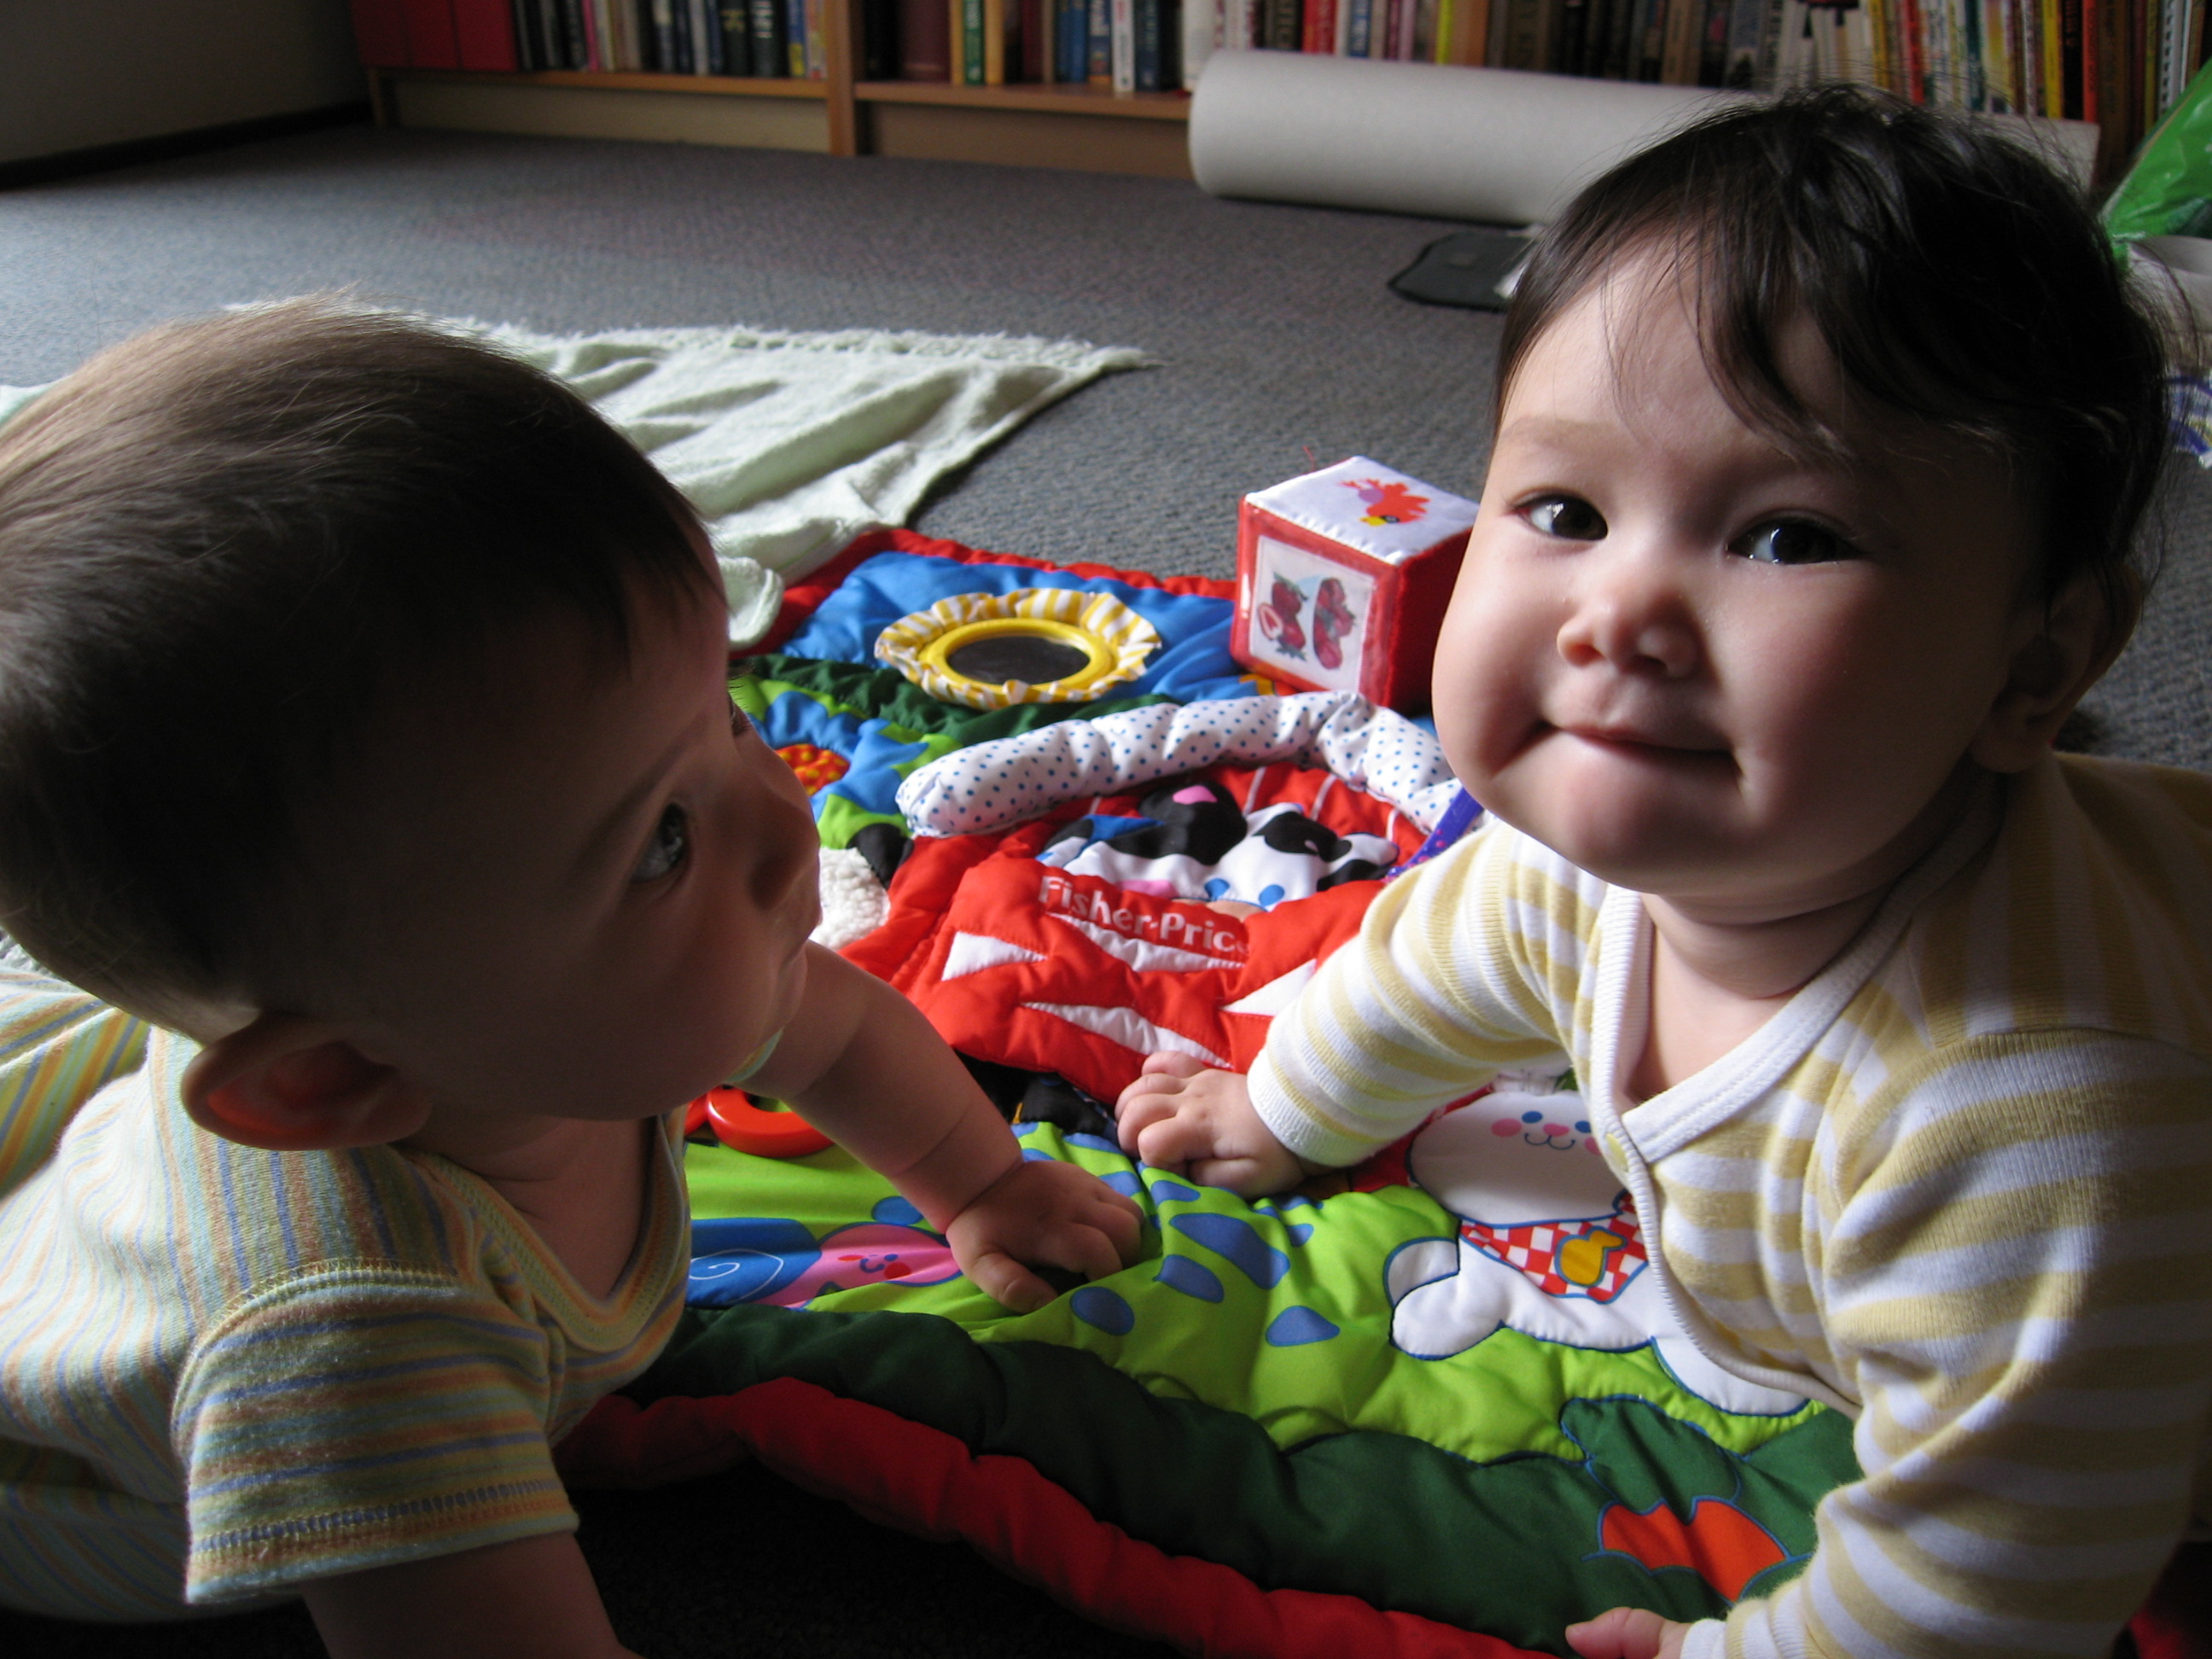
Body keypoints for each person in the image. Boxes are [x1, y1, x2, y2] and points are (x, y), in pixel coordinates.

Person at [1116, 84, 2210, 1659]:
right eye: (1563, 509)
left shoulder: (2027, 1117)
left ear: (2036, 666)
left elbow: (2003, 1574)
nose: (1617, 612)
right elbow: (1431, 973)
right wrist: (1286, 1109)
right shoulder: (1582, 864)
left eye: (1785, 537)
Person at [0, 300, 1144, 1657]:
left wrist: (987, 1185)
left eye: (728, 716)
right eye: (663, 836)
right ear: (341, 1075)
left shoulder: (545, 1003)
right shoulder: (356, 1344)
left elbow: (833, 1037)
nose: (786, 829)